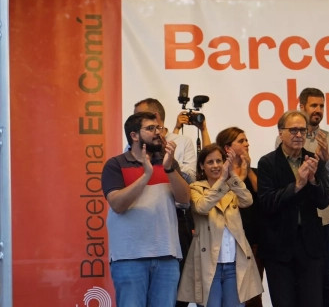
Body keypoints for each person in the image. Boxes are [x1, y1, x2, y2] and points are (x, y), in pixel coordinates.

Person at [101, 111, 191, 306]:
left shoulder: (168, 162)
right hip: (129, 257)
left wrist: (169, 168)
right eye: (150, 128)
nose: (158, 132)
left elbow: (185, 200)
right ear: (134, 135)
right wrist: (146, 176)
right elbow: (117, 204)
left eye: (158, 127)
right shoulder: (115, 164)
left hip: (167, 256)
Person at [275, 87, 329, 307]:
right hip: (299, 221)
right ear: (302, 106)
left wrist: (326, 161)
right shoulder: (285, 139)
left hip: (327, 218)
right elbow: (283, 182)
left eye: (322, 106)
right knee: (301, 278)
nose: (318, 110)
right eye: (314, 105)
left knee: (328, 277)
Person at [258, 110, 329, 307]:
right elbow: (266, 203)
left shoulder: (313, 159)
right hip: (279, 249)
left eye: (302, 130)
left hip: (310, 247)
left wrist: (314, 180)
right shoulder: (267, 163)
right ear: (280, 132)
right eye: (293, 130)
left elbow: (324, 201)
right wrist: (297, 185)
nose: (299, 135)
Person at [177, 144, 263, 307]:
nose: (216, 165)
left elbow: (248, 200)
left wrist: (231, 175)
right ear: (202, 165)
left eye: (219, 161)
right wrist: (222, 180)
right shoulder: (195, 187)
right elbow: (202, 207)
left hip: (234, 263)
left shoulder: (231, 187)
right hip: (208, 263)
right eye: (210, 162)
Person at [133, 98, 198, 307]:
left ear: (156, 118)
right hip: (143, 227)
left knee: (176, 293)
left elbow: (190, 178)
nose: (134, 122)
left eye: (138, 117)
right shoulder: (131, 145)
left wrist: (168, 163)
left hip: (176, 223)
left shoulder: (181, 142)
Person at [216, 127, 264, 307]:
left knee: (253, 294)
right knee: (233, 294)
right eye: (241, 141)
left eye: (246, 140)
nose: (247, 143)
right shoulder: (220, 173)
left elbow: (262, 194)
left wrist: (249, 171)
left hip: (254, 240)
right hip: (229, 241)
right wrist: (239, 177)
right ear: (228, 148)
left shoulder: (255, 171)